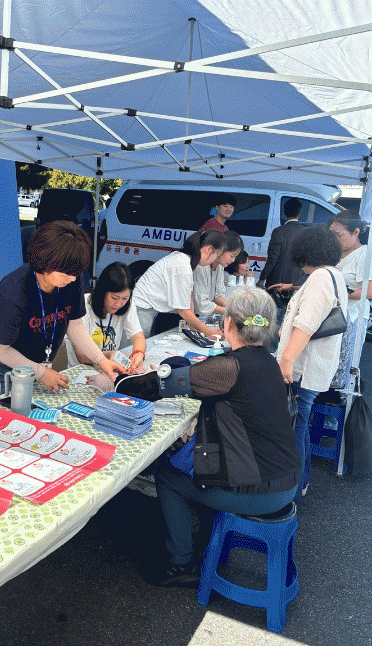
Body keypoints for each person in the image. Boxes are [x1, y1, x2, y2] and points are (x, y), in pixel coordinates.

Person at [113, 288, 300, 586]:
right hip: (286, 481)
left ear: (228, 323)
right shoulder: (268, 362)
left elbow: (159, 386)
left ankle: (181, 563)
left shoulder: (230, 366)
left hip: (259, 491)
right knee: (186, 462)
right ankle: (205, 534)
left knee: (168, 476)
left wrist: (118, 382)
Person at [0, 220, 124, 400]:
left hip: (39, 365)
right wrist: (41, 372)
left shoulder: (71, 279)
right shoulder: (12, 293)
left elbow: (75, 325)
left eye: (76, 273)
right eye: (66, 274)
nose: (72, 279)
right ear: (44, 263)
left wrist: (101, 360)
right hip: (2, 368)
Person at [277, 224, 348, 500]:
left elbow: (306, 324)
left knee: (294, 430)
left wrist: (286, 359)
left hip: (302, 368)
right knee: (301, 426)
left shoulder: (319, 278)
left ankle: (291, 496)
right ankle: (302, 482)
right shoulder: (334, 275)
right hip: (314, 366)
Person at [132, 230, 227, 339]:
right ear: (208, 249)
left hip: (147, 309)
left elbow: (188, 298)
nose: (216, 259)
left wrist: (194, 325)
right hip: (140, 309)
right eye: (217, 255)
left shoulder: (185, 261)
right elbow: (183, 311)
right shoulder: (182, 266)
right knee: (135, 345)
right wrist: (209, 332)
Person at [65, 262, 147, 371]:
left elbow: (138, 336)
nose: (119, 304)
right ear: (102, 292)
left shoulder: (127, 305)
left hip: (110, 369)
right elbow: (81, 356)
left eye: (125, 298)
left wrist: (138, 353)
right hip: (82, 370)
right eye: (114, 297)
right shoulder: (83, 304)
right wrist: (109, 355)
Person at [329, 211, 371, 389]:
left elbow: (369, 291)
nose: (334, 238)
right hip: (332, 315)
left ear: (356, 232)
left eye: (338, 235)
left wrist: (335, 293)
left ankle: (339, 397)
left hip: (351, 319)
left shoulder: (365, 254)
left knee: (343, 365)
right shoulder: (336, 252)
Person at [193, 231, 244, 318]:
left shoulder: (219, 266)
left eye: (235, 257)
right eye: (232, 256)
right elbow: (201, 305)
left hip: (200, 315)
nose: (233, 260)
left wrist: (232, 306)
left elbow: (219, 295)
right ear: (222, 250)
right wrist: (229, 311)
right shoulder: (202, 266)